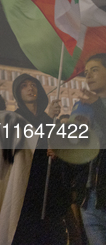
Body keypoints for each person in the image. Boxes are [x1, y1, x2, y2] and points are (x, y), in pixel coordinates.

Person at [11, 73, 68, 244]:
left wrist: (59, 153)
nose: (30, 88)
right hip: (27, 193)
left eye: (33, 84)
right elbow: (27, 144)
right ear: (17, 93)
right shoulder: (15, 119)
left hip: (50, 191)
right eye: (24, 86)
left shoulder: (52, 119)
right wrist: (48, 119)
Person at [73, 53, 106, 244]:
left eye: (95, 70)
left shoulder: (94, 105)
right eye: (86, 72)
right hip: (90, 200)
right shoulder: (82, 107)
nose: (89, 76)